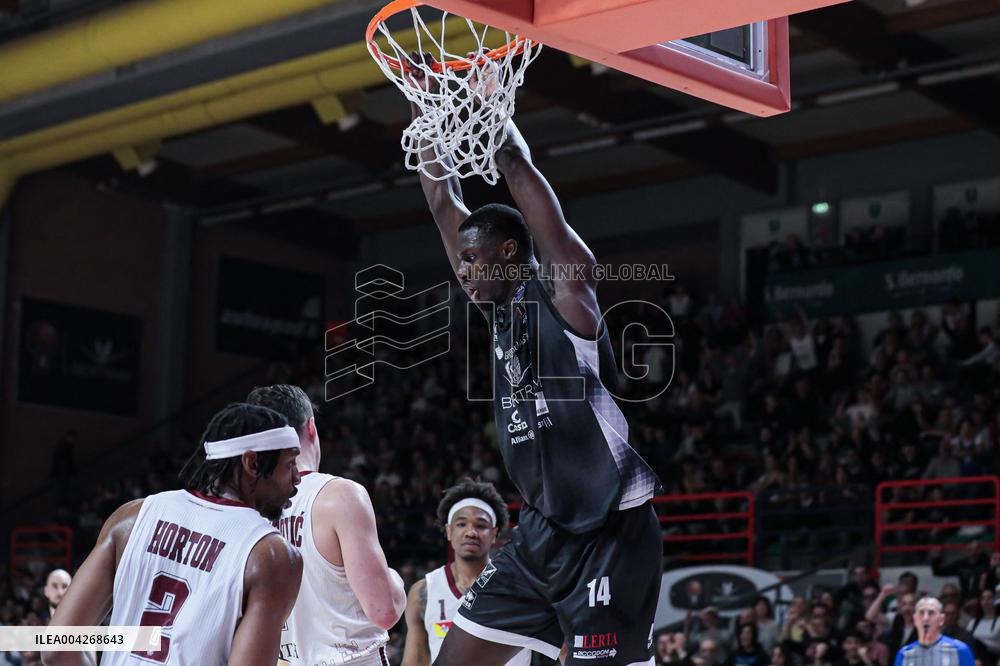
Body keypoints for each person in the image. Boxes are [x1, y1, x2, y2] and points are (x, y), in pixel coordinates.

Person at [408, 55, 663, 665]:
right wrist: (427, 110)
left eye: (474, 260)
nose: (464, 273)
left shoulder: (567, 294)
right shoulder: (497, 312)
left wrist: (495, 115)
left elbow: (521, 175)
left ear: (510, 252)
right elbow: (443, 201)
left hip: (611, 533)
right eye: (461, 263)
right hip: (540, 535)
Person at [42, 403, 304, 666]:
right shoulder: (271, 555)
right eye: (290, 464)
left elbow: (57, 647)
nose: (297, 477)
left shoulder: (131, 517)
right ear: (252, 463)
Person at [246, 384, 406, 666]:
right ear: (311, 427)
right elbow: (385, 611)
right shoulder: (339, 495)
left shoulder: (244, 508)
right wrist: (394, 579)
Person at [401, 479, 529, 666]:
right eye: (461, 524)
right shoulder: (423, 592)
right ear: (449, 530)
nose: (471, 532)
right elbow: (415, 661)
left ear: (494, 534)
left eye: (481, 526)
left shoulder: (520, 586)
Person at [895, 597, 974, 666]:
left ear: (941, 619)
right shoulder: (904, 654)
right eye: (921, 613)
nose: (925, 618)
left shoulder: (959, 650)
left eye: (931, 613)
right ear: (915, 619)